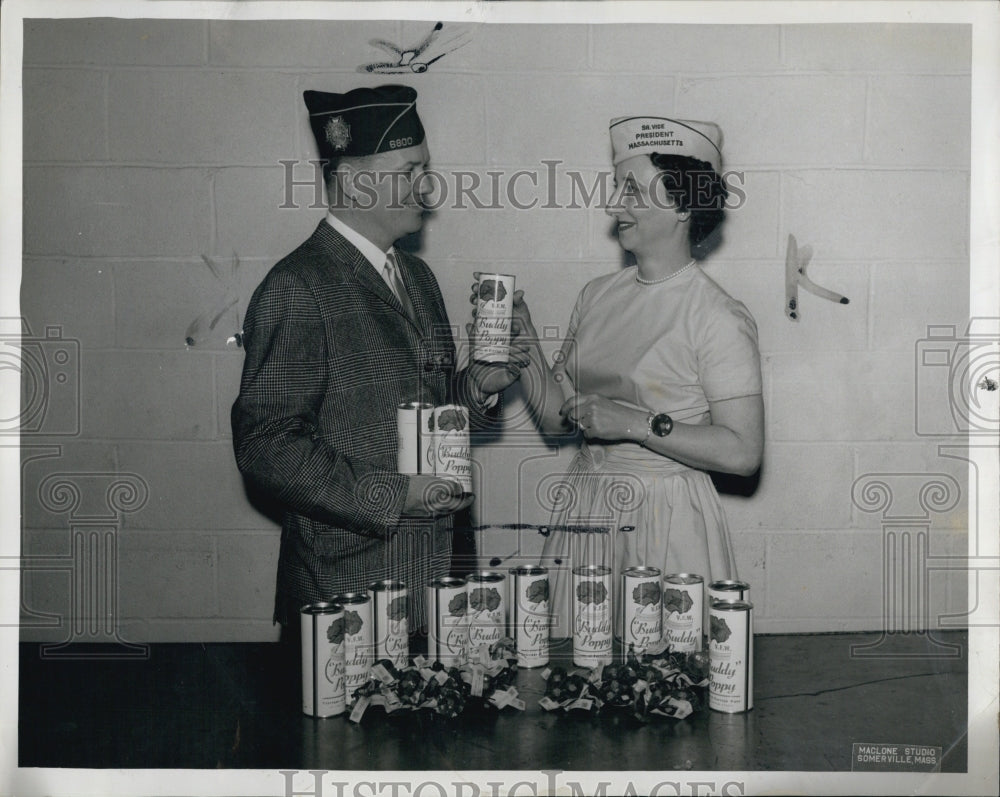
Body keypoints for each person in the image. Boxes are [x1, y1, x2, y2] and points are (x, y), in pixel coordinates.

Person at [232, 85, 528, 641]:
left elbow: (429, 413)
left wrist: (477, 389)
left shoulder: (417, 278)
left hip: (440, 592)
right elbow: (266, 446)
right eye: (411, 170)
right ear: (354, 180)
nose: (428, 187)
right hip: (347, 599)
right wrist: (396, 494)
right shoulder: (297, 287)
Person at [507, 115, 764, 638]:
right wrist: (526, 345)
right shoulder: (597, 295)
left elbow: (743, 453)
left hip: (668, 516)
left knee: (662, 683)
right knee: (575, 673)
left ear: (684, 206)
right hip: (586, 505)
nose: (613, 206)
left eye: (632, 191)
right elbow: (559, 423)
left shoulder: (717, 315)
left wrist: (636, 423)